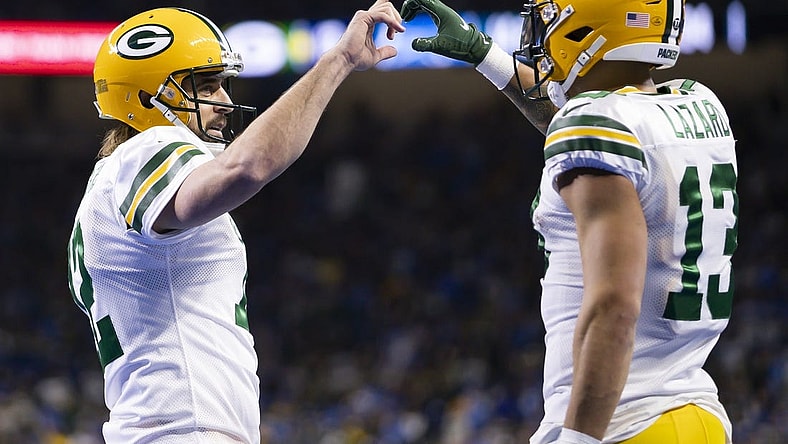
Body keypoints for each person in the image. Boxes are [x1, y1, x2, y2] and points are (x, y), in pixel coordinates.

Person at [400, 0, 737, 443]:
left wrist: (579, 438)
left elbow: (614, 308)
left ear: (590, 28)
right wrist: (487, 56)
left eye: (550, 16)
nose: (540, 32)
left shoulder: (597, 126)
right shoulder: (698, 105)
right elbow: (584, 126)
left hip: (622, 426)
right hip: (694, 414)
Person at [66, 3, 404, 443]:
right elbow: (244, 169)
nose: (224, 102)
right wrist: (337, 60)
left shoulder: (110, 183)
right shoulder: (142, 151)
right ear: (149, 97)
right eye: (207, 85)